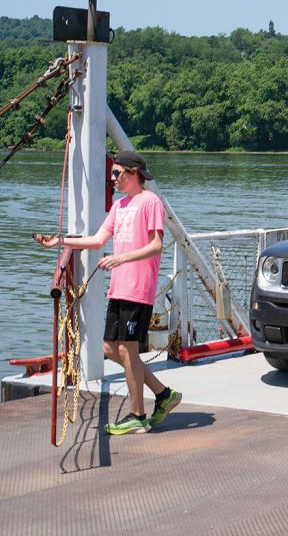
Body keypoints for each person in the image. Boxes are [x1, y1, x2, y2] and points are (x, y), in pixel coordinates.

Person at [36, 151, 181, 435]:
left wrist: (119, 259)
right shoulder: (119, 206)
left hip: (138, 287)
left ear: (132, 172)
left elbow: (156, 245)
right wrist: (60, 241)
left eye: (116, 173)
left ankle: (137, 415)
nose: (111, 179)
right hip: (119, 288)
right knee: (110, 348)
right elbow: (99, 239)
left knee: (127, 349)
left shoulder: (150, 201)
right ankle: (163, 394)